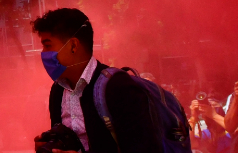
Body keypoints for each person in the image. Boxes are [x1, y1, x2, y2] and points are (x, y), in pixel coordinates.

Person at [31, 8, 162, 153]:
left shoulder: (118, 87)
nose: (43, 53)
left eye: (47, 45)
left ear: (73, 45)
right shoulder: (58, 90)